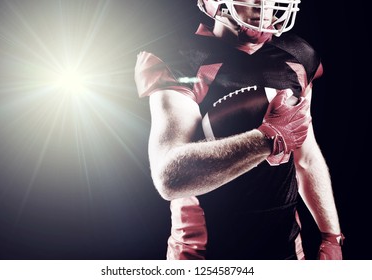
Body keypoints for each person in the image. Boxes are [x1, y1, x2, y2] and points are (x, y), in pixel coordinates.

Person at [134, 0, 344, 260]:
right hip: (206, 255)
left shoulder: (298, 55)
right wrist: (266, 139)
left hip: (286, 250)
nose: (266, 6)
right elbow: (169, 177)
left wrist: (331, 236)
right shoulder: (181, 59)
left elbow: (306, 157)